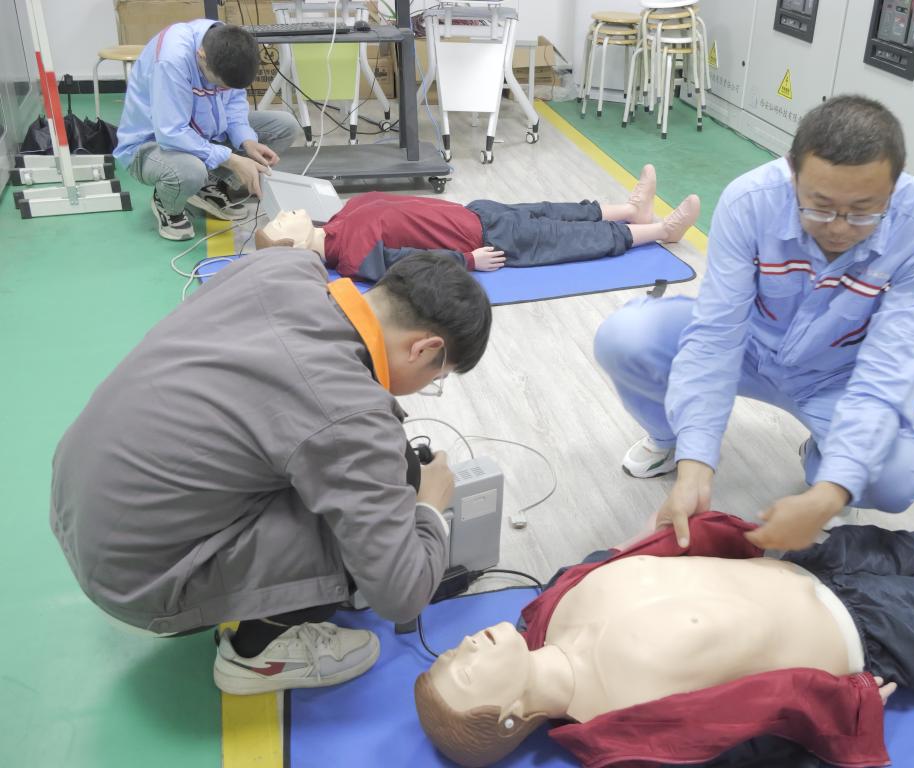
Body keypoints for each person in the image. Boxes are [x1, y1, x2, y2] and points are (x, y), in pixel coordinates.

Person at [50, 248, 492, 695]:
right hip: (137, 586)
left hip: (76, 510)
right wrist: (428, 508)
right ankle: (256, 653)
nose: (429, 386)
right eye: (437, 378)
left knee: (354, 471)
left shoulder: (281, 267)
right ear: (424, 348)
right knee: (394, 495)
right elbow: (401, 595)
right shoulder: (352, 414)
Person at [594, 95, 914, 552]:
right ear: (792, 173)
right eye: (819, 206)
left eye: (864, 211)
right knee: (625, 337)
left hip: (838, 377)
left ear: (895, 185)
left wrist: (831, 491)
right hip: (750, 347)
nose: (839, 228)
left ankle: (824, 456)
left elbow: (889, 371)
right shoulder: (751, 201)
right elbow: (715, 337)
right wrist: (696, 463)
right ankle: (670, 437)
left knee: (896, 479)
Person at [414, 511, 914, 767]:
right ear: (510, 717)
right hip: (879, 631)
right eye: (464, 671)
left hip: (827, 559)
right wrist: (844, 710)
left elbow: (652, 550)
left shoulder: (553, 601)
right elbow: (749, 745)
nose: (465, 645)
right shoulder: (626, 736)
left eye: (451, 652)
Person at [253, 165, 701, 282]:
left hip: (476, 212)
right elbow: (412, 265)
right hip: (485, 238)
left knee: (552, 208)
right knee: (565, 236)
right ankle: (663, 231)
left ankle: (632, 209)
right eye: (280, 225)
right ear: (295, 248)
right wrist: (467, 261)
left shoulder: (338, 220)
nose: (284, 214)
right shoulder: (352, 257)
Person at [114, 19, 303, 241]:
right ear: (201, 55)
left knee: (285, 126)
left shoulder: (230, 46)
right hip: (152, 145)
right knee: (190, 171)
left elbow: (234, 106)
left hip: (203, 133)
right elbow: (171, 132)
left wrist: (247, 141)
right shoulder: (172, 60)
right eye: (221, 86)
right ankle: (168, 204)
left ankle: (207, 184)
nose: (224, 90)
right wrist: (232, 159)